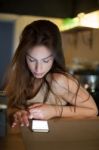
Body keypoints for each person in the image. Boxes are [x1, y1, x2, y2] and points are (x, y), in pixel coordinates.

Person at [5, 20, 98, 128]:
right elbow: (9, 106)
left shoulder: (58, 81)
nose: (38, 69)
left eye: (45, 61)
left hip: (56, 142)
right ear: (24, 56)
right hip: (27, 141)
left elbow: (93, 110)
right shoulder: (20, 76)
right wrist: (17, 112)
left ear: (54, 57)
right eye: (31, 59)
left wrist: (54, 111)